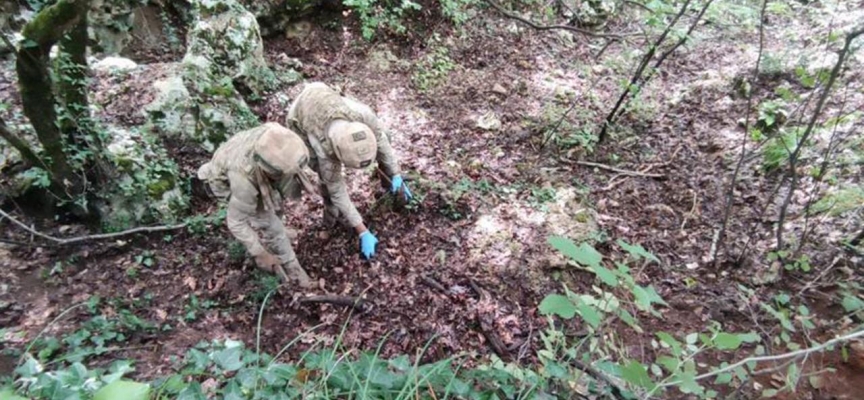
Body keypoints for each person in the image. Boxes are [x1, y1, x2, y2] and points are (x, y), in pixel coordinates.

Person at [286, 82, 412, 260]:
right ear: (338, 155)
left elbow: (381, 140)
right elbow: (337, 189)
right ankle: (331, 216)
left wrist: (396, 174)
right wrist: (362, 231)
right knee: (325, 178)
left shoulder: (363, 115)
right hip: (301, 118)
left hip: (327, 96)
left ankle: (389, 183)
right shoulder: (324, 149)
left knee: (387, 135)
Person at [197, 122, 317, 288]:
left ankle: (279, 235)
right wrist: (258, 252)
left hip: (245, 166)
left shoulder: (275, 136)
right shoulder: (243, 182)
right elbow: (236, 222)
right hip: (226, 180)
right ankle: (294, 270)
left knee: (277, 203)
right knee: (269, 224)